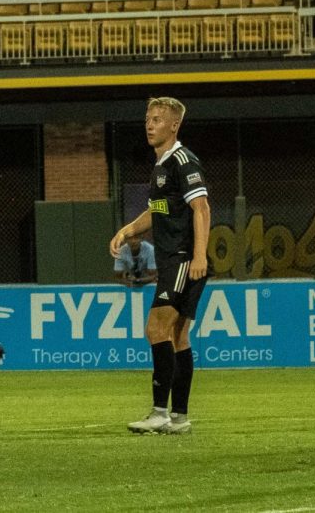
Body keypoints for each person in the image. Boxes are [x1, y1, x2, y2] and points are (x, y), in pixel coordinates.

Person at [109, 96, 210, 435]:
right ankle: (179, 417)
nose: (149, 125)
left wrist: (199, 256)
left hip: (181, 258)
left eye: (157, 119)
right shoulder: (162, 165)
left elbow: (202, 209)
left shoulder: (183, 160)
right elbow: (157, 212)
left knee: (156, 329)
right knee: (178, 336)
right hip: (176, 258)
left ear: (174, 125)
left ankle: (158, 412)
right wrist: (127, 230)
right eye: (148, 119)